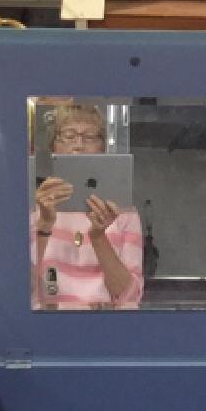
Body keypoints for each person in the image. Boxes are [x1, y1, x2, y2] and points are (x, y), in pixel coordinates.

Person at [32, 103, 144, 309]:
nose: (78, 144)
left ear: (102, 147)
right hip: (48, 328)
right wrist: (44, 225)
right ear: (53, 146)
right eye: (68, 135)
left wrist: (98, 236)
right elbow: (20, 290)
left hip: (107, 328)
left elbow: (129, 296)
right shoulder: (35, 208)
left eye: (90, 136)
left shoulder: (123, 211)